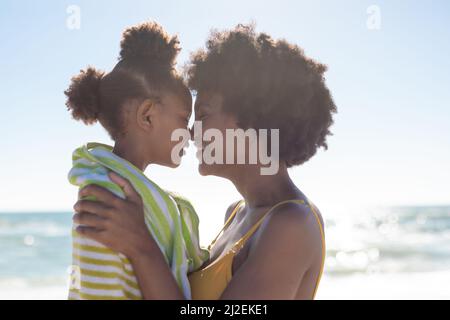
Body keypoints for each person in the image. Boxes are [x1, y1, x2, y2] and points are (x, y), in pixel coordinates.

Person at [73, 24, 337, 299]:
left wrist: (141, 246)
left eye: (203, 115)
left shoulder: (292, 225)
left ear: (252, 119)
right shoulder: (236, 214)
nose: (190, 131)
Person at [65, 21, 208, 300]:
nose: (189, 132)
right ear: (147, 115)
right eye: (183, 118)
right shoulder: (109, 195)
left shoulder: (118, 187)